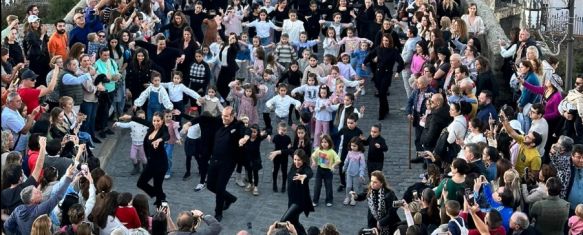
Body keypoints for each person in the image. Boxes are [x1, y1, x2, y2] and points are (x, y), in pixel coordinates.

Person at [182, 106, 249, 221]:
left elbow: (246, 131)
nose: (224, 118)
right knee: (210, 185)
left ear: (233, 116)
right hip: (214, 159)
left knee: (220, 187)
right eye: (223, 115)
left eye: (227, 116)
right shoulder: (219, 121)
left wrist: (245, 138)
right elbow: (203, 118)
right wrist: (189, 123)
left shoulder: (237, 125)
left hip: (228, 162)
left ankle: (218, 213)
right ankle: (230, 198)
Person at [4, 150, 74, 235]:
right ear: (32, 200)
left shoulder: (18, 209)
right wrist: (68, 177)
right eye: (36, 192)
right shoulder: (39, 210)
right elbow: (57, 197)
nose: (40, 191)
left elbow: (7, 225)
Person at [362, 34, 404, 120]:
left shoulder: (393, 51)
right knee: (382, 94)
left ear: (390, 41)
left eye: (387, 41)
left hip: (387, 74)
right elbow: (370, 55)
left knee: (381, 93)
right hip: (378, 74)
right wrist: (364, 62)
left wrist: (397, 72)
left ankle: (381, 113)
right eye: (384, 40)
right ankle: (386, 108)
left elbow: (401, 62)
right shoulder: (378, 48)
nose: (385, 42)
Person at [281, 149, 314, 235]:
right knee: (294, 222)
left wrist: (304, 176)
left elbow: (310, 173)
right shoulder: (294, 166)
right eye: (295, 159)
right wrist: (278, 152)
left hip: (299, 202)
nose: (296, 162)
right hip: (291, 200)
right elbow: (288, 150)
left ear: (303, 159)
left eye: (299, 160)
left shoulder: (305, 168)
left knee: (284, 220)